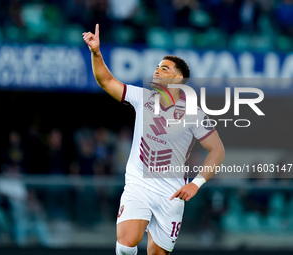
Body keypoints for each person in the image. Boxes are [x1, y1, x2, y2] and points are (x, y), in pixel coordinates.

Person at [83, 24, 225, 255]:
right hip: (139, 184)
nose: (157, 71)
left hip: (172, 193)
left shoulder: (195, 113)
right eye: (157, 67)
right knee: (127, 242)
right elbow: (106, 82)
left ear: (178, 78)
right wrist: (96, 53)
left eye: (164, 68)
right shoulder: (143, 98)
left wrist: (195, 183)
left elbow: (217, 150)